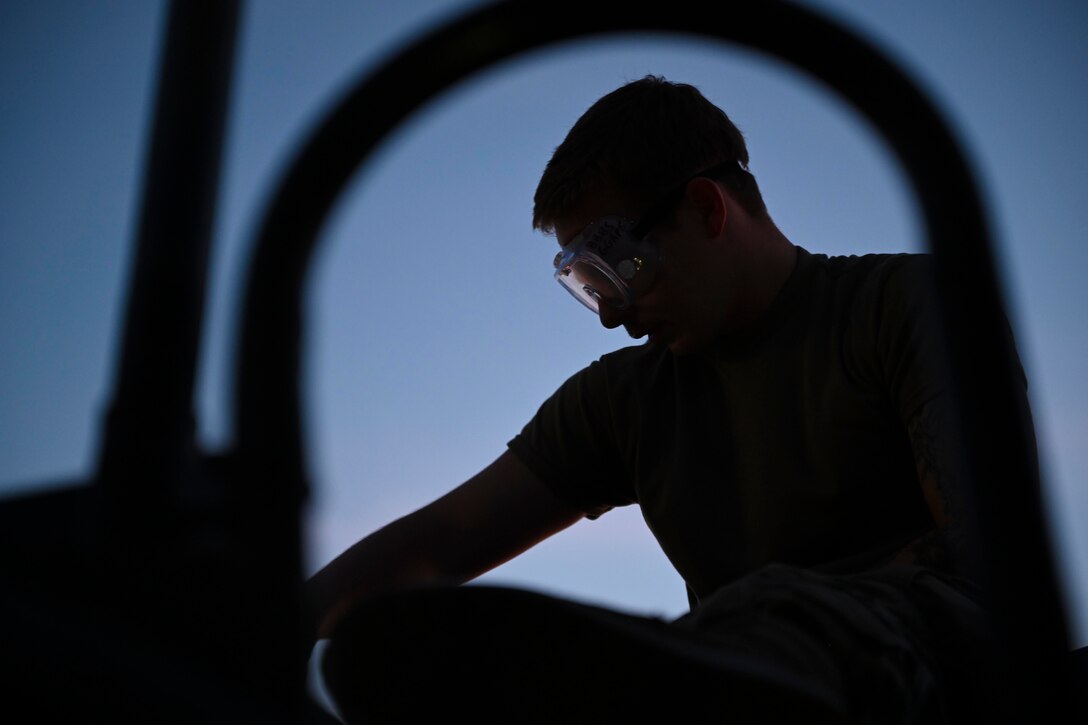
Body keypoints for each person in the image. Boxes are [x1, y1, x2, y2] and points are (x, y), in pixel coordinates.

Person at [305, 75, 1028, 723]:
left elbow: (984, 554)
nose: (612, 313)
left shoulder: (908, 305)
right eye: (587, 283)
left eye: (618, 265)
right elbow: (441, 537)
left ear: (708, 208)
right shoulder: (626, 401)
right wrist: (260, 623)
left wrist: (778, 619)